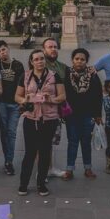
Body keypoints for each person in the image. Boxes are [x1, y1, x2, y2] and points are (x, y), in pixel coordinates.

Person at [15, 49, 65, 196]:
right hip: (31, 118)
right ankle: (23, 183)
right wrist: (26, 99)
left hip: (49, 118)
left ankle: (41, 184)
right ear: (31, 61)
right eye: (36, 59)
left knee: (44, 153)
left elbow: (62, 96)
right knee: (29, 153)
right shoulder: (25, 76)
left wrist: (51, 99)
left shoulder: (54, 76)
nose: (39, 62)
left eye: (42, 59)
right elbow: (17, 96)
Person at [63, 48, 102, 180]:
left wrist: (98, 115)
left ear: (86, 61)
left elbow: (98, 95)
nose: (79, 61)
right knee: (72, 141)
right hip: (71, 115)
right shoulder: (66, 74)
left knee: (86, 142)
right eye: (77, 59)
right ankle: (69, 169)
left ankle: (88, 168)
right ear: (72, 60)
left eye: (82, 59)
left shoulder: (93, 75)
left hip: (88, 114)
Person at [0, 40, 24, 175]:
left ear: (8, 48)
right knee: (5, 132)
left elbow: (23, 84)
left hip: (15, 103)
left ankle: (8, 161)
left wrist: (23, 102)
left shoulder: (17, 65)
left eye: (3, 50)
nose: (2, 53)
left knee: (11, 132)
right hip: (1, 103)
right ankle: (6, 160)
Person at [41, 38, 67, 178]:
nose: (53, 49)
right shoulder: (39, 64)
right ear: (44, 49)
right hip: (40, 110)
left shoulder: (61, 67)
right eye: (50, 47)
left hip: (56, 110)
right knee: (41, 142)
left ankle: (49, 167)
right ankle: (42, 169)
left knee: (50, 141)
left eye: (55, 46)